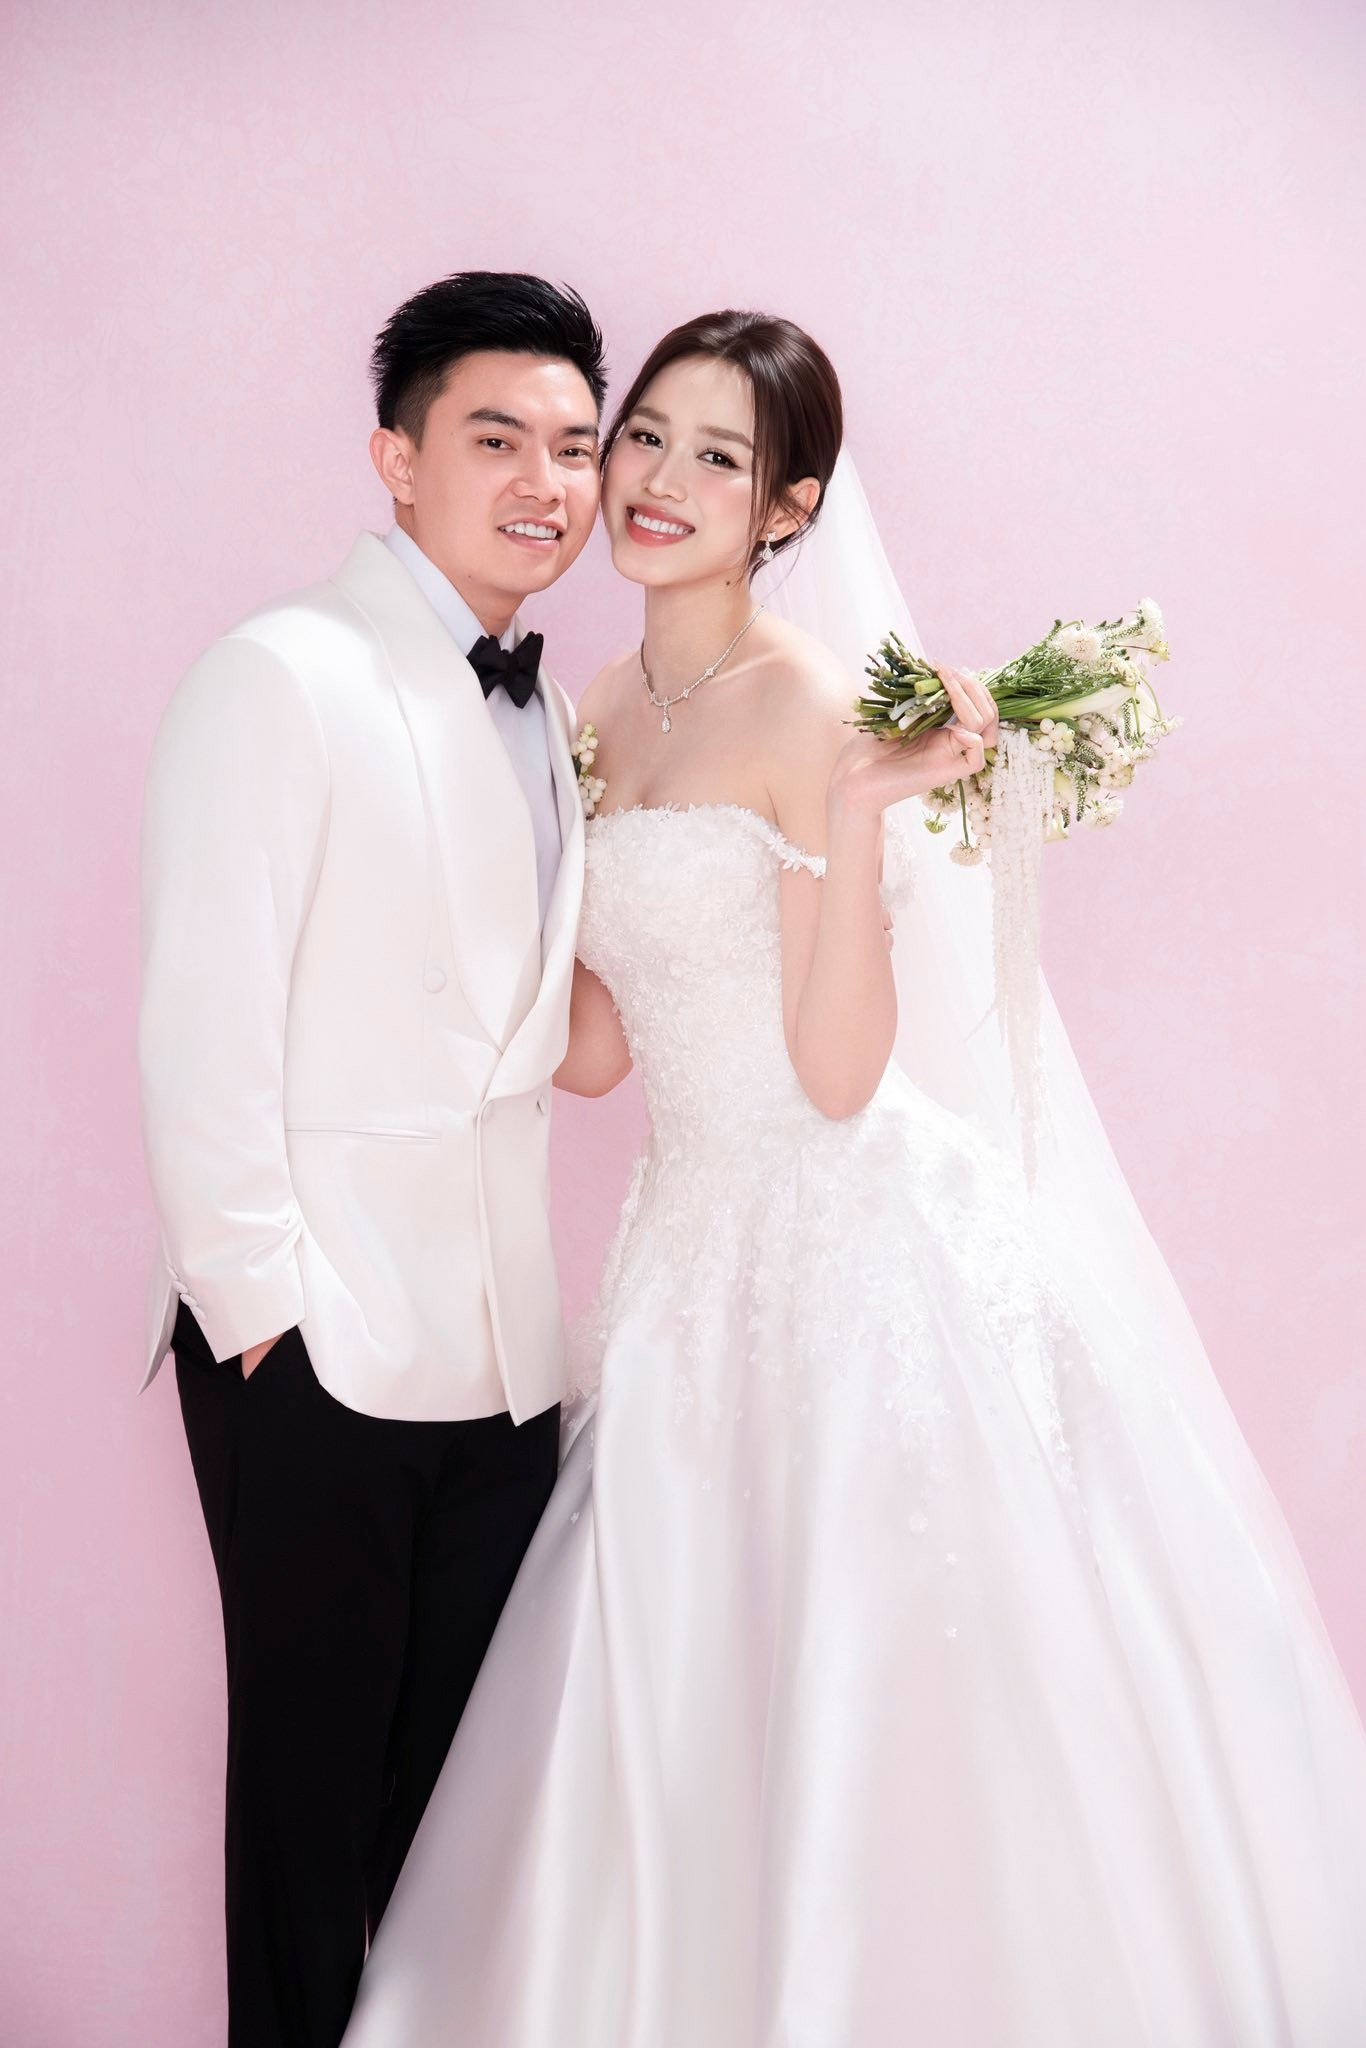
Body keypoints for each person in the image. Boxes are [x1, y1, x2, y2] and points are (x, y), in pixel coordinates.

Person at [339, 308, 1366, 2046]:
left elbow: (832, 1080)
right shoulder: (594, 707)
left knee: (869, 1676)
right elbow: (595, 1051)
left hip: (845, 1235)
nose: (656, 482)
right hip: (681, 1247)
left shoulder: (811, 706)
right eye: (644, 436)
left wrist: (862, 817)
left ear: (788, 509)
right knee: (682, 1672)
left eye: (716, 459)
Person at [136, 270, 607, 2047]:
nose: (545, 483)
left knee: (455, 1843)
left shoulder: (554, 717)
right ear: (394, 460)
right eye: (496, 440)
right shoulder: (280, 672)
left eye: (574, 446)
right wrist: (262, 1318)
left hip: (504, 1357)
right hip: (320, 1338)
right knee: (308, 1822)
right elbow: (203, 1019)